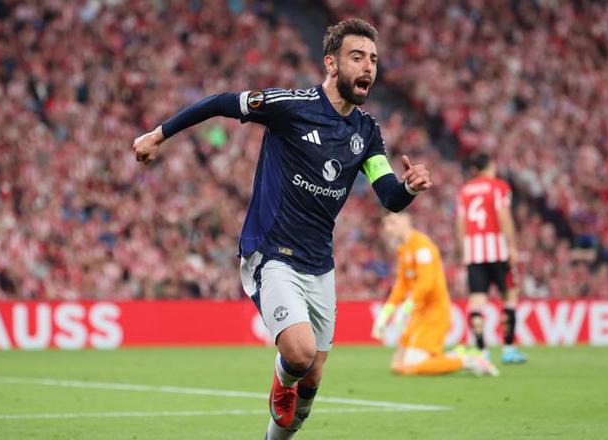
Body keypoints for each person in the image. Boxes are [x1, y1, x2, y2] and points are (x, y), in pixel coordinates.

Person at [132, 18, 432, 440]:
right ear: (331, 64)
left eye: (373, 59)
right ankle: (283, 378)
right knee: (299, 353)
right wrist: (159, 134)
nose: (368, 66)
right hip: (272, 252)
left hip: (320, 264)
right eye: (357, 57)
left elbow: (388, 195)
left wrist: (409, 188)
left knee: (314, 377)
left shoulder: (367, 132)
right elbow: (222, 102)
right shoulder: (291, 106)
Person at [371, 212, 498, 377]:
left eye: (392, 222)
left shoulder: (422, 246)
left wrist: (408, 305)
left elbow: (427, 282)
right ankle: (453, 356)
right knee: (398, 365)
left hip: (434, 314)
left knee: (414, 366)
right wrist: (387, 311)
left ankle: (469, 360)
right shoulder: (403, 249)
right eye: (386, 224)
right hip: (418, 314)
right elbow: (402, 284)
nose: (388, 228)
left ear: (406, 219)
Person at [455, 153, 527, 364]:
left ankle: (481, 350)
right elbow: (504, 216)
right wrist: (512, 247)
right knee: (509, 296)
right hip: (498, 251)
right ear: (491, 166)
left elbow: (460, 223)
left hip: (474, 253)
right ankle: (508, 349)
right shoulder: (499, 187)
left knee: (477, 301)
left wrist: (463, 251)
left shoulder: (465, 190)